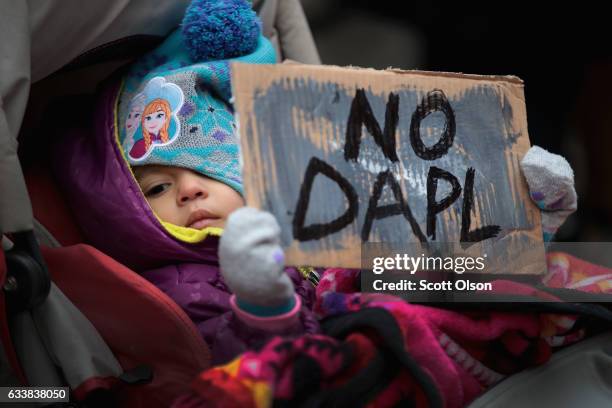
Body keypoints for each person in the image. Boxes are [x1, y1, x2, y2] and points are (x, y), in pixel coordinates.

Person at [54, 0, 577, 366]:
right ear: (122, 212)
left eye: (210, 168)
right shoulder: (184, 286)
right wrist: (260, 303)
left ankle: (531, 224)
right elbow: (251, 374)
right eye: (156, 189)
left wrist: (512, 207)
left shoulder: (320, 203)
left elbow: (420, 257)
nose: (189, 191)